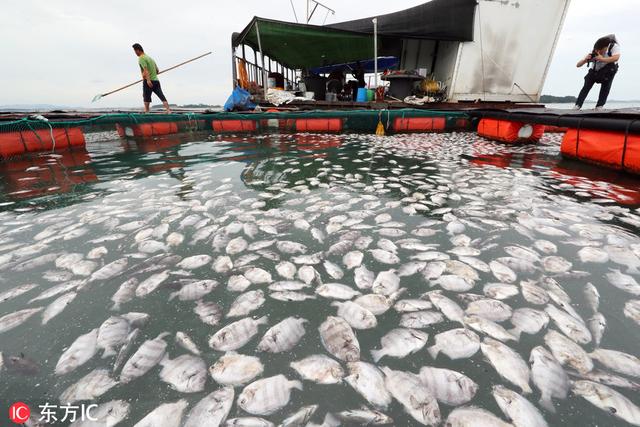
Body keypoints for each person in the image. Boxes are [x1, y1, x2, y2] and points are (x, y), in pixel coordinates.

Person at [574, 34, 620, 110]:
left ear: (606, 47)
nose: (598, 52)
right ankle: (577, 105)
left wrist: (602, 59)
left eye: (600, 50)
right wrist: (585, 60)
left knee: (606, 87)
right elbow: (578, 65)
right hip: (595, 71)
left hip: (608, 71)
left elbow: (616, 58)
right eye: (597, 50)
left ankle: (599, 106)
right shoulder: (594, 52)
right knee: (586, 86)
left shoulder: (613, 46)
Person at [132, 43, 171, 113]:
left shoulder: (141, 58)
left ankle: (147, 111)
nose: (135, 53)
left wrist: (148, 80)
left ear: (138, 50)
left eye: (135, 51)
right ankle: (168, 110)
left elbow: (145, 69)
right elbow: (157, 70)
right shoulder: (150, 58)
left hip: (148, 81)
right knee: (161, 96)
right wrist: (152, 73)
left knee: (146, 97)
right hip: (156, 81)